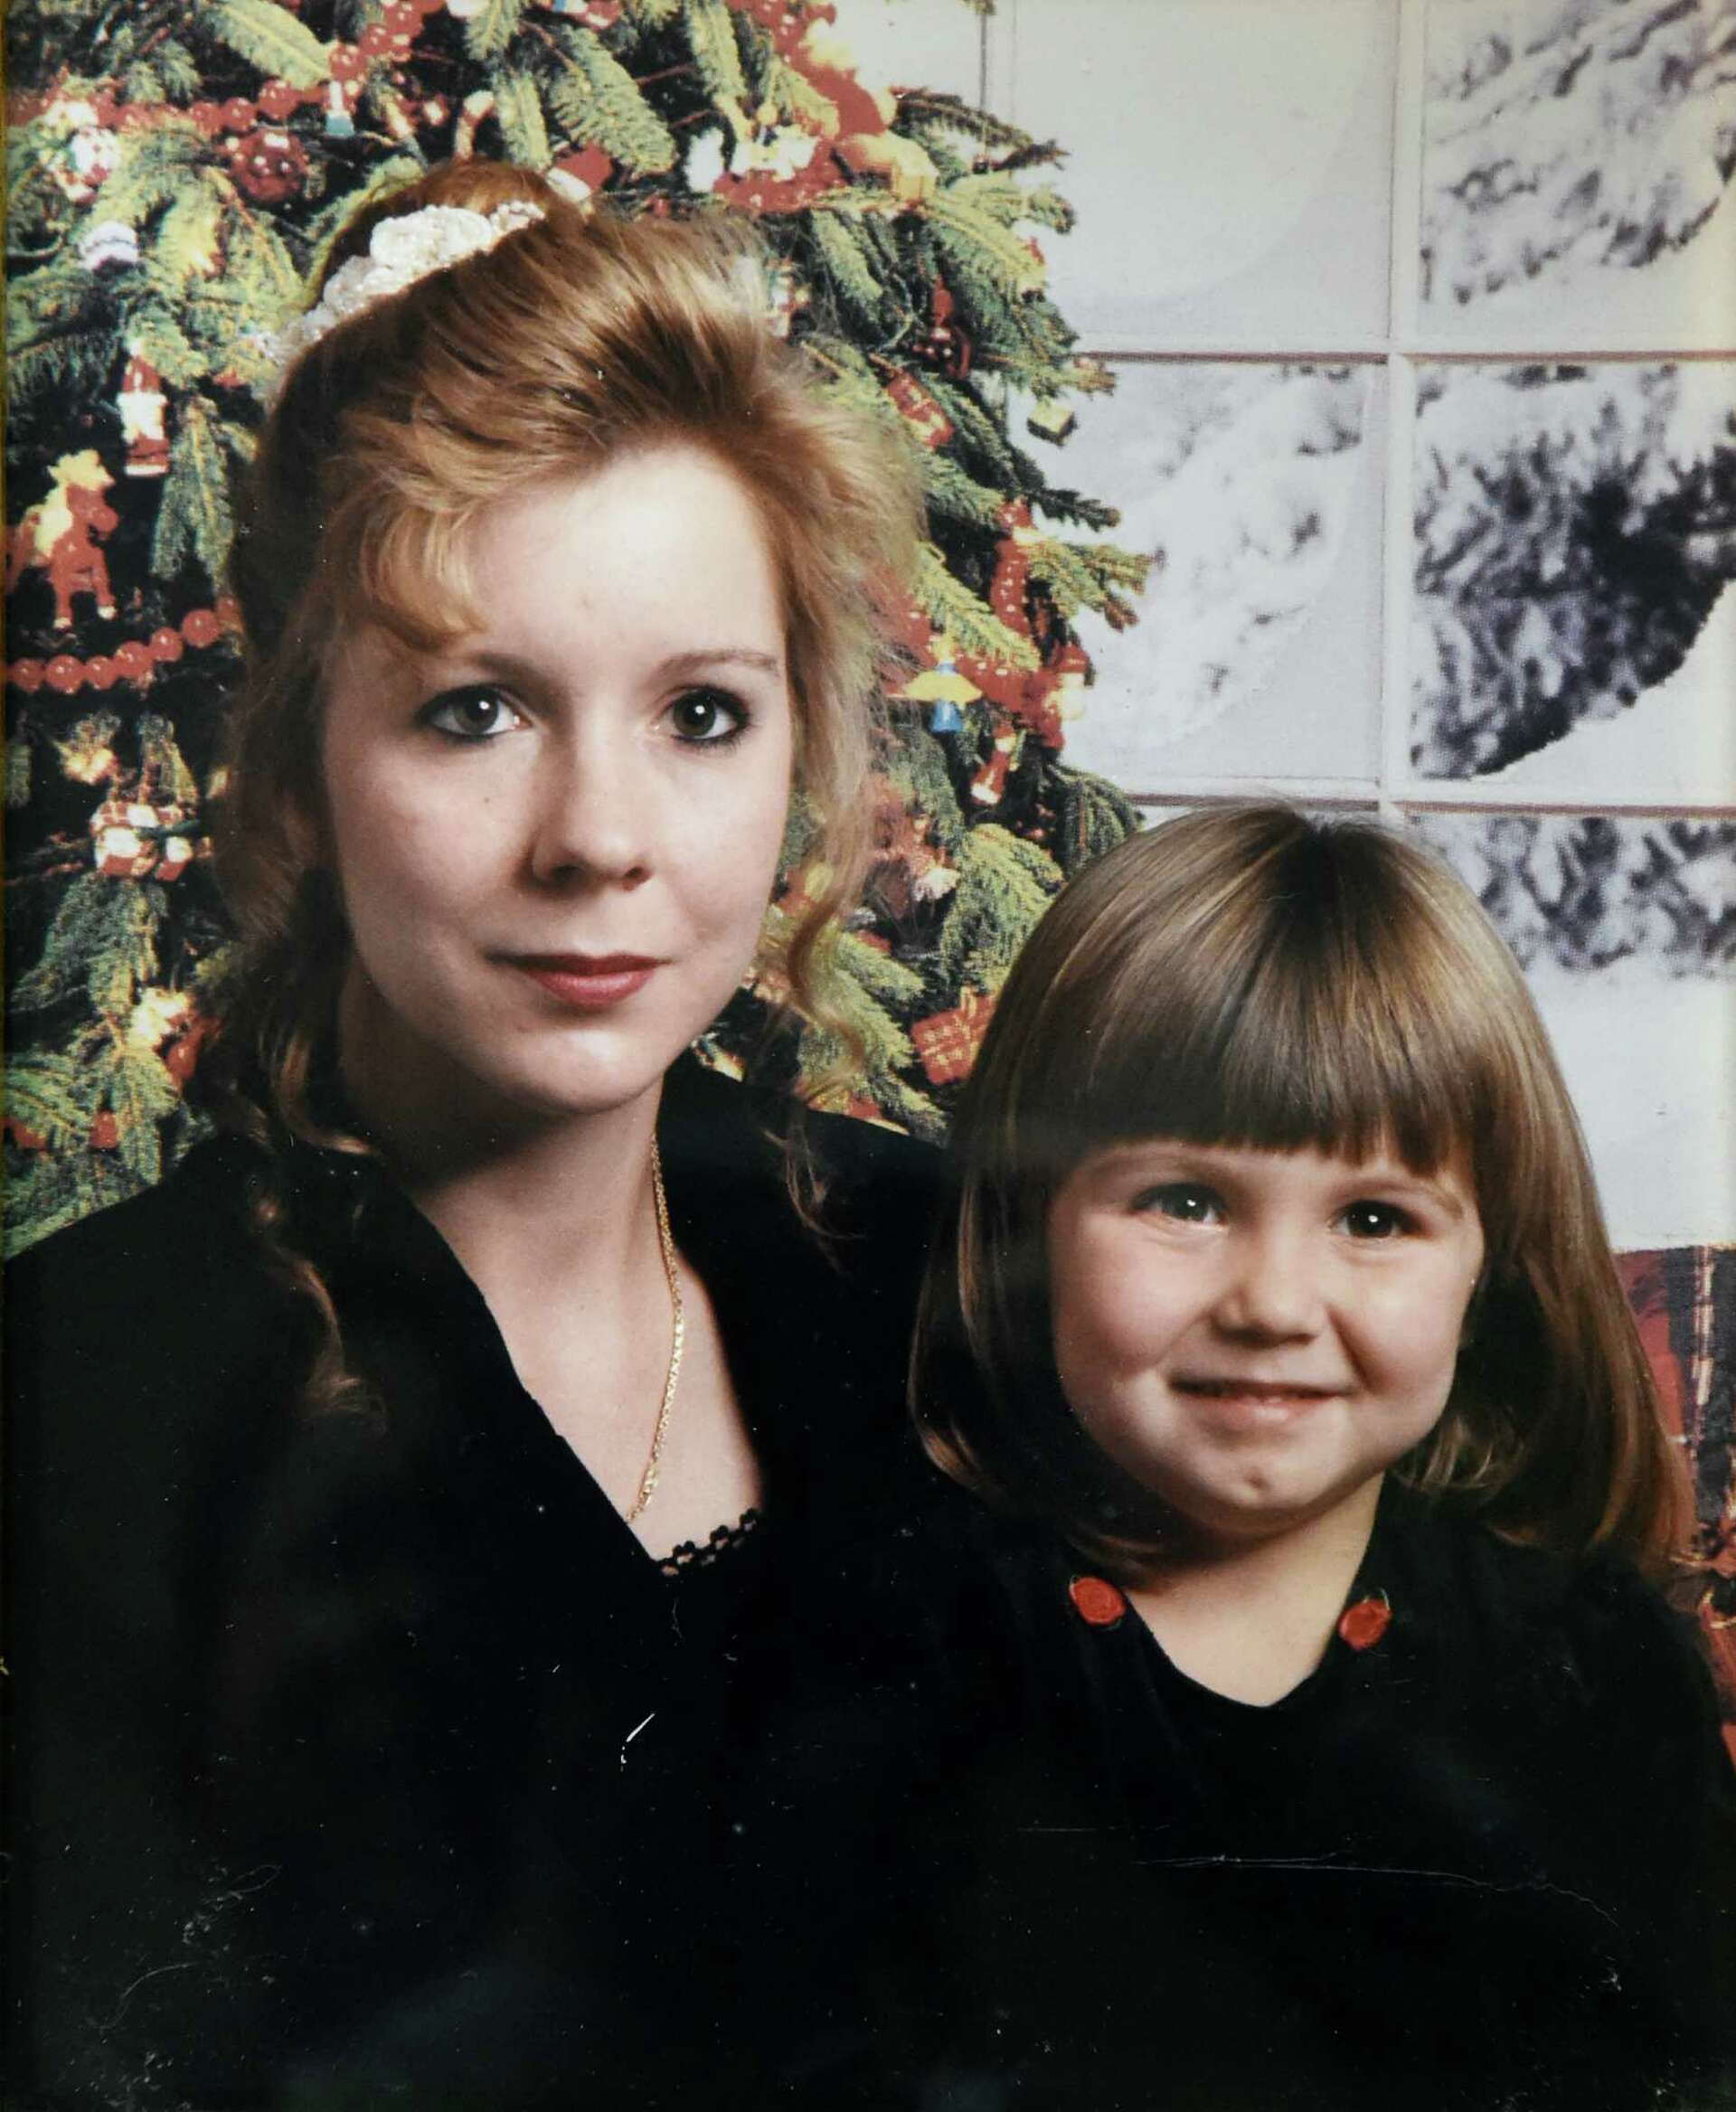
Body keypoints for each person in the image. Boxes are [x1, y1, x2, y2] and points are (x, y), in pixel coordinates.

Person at [5, 158, 934, 2107]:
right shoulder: (81, 1405)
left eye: (701, 715)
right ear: (297, 761)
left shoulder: (954, 1287)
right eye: (476, 711)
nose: (599, 837)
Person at [743, 805, 1736, 2108]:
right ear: (1028, 1231)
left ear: (1488, 1269)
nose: (1273, 1305)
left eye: (1374, 1220)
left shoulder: (1594, 1675)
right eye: (1187, 1202)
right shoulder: (884, 1648)